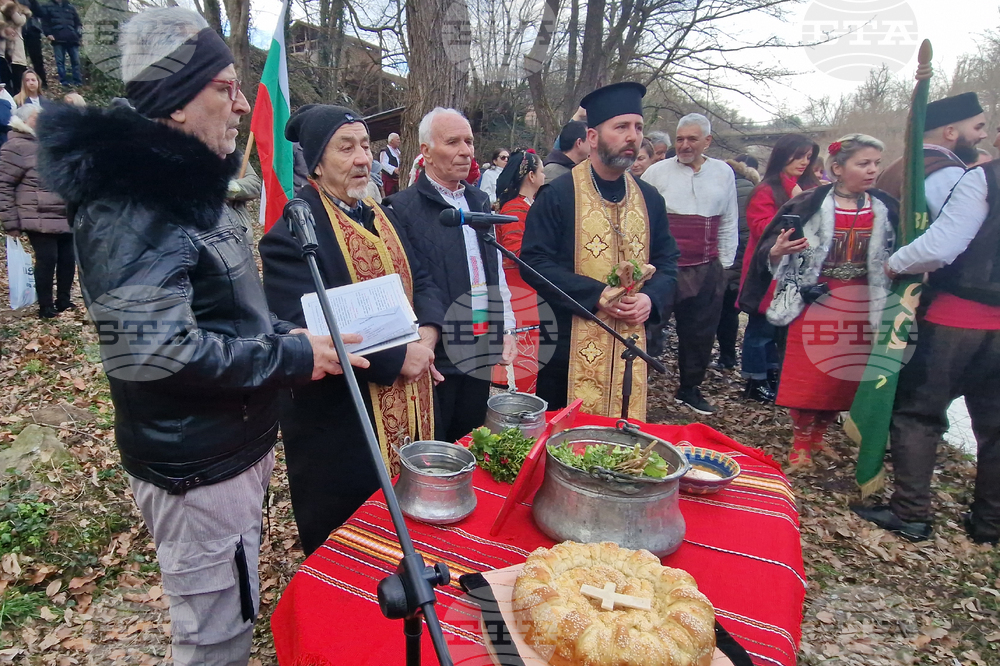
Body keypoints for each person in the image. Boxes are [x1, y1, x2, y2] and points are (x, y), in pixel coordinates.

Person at [36, 9, 366, 664]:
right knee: (214, 640)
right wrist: (292, 354)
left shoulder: (188, 180)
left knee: (233, 616)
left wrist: (286, 332)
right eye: (224, 87)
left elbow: (229, 310)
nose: (243, 104)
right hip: (197, 462)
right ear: (174, 99)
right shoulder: (131, 197)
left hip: (228, 442)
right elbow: (152, 350)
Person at [260, 104, 445, 556]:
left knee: (410, 527)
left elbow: (422, 277)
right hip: (343, 415)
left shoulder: (380, 214)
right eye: (347, 148)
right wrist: (398, 357)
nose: (363, 157)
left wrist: (427, 334)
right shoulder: (293, 229)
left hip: (411, 396)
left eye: (366, 145)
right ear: (318, 163)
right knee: (350, 536)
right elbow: (305, 322)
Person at [852, 93, 999, 543]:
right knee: (996, 426)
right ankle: (990, 523)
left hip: (958, 319)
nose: (988, 135)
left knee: (919, 414)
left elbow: (941, 245)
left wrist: (896, 264)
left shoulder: (982, 179)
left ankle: (912, 512)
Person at [520, 82, 679, 420]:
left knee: (623, 442)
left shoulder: (650, 198)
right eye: (621, 127)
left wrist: (651, 300)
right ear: (593, 137)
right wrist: (597, 294)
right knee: (564, 448)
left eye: (637, 127)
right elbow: (533, 262)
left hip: (631, 346)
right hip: (567, 347)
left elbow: (668, 264)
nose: (633, 136)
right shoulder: (559, 194)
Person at [741, 134, 897, 472]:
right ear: (837, 168)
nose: (872, 170)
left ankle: (820, 436)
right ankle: (800, 443)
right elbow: (771, 245)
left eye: (876, 164)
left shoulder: (885, 208)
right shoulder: (807, 204)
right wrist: (777, 252)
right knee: (809, 374)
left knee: (843, 376)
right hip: (817, 300)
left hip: (860, 301)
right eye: (863, 163)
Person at [385, 107, 516, 443]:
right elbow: (404, 283)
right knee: (436, 448)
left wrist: (506, 326)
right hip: (436, 354)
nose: (466, 151)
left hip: (481, 344)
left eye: (469, 142)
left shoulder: (479, 200)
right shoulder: (400, 208)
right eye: (453, 142)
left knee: (471, 441)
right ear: (426, 151)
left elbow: (494, 267)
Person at [641, 113, 739, 415]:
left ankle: (689, 388)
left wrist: (724, 263)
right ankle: (634, 385)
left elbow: (729, 219)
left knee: (700, 332)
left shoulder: (723, 173)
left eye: (691, 139)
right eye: (680, 138)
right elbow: (641, 220)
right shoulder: (656, 173)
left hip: (706, 266)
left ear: (706, 141)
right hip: (664, 267)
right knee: (649, 327)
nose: (684, 145)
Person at [737, 136, 820, 403]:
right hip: (768, 267)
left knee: (780, 328)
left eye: (808, 157)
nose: (803, 162)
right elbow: (761, 227)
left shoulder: (811, 187)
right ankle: (754, 379)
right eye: (798, 156)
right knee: (761, 327)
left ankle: (773, 374)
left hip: (797, 269)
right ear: (783, 156)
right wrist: (795, 205)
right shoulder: (768, 189)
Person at [0, 104, 71, 318]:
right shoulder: (15, 147)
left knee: (68, 258)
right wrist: (10, 222)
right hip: (36, 215)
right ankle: (45, 305)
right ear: (24, 120)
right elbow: (4, 185)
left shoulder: (53, 143)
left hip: (64, 213)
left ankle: (64, 301)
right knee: (47, 258)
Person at [493, 148, 545, 393]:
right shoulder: (515, 208)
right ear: (531, 176)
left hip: (529, 284)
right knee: (523, 352)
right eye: (542, 170)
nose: (544, 175)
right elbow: (516, 252)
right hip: (519, 285)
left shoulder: (528, 205)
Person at [714, 154, 760, 373]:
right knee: (730, 312)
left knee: (717, 311)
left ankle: (723, 357)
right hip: (744, 259)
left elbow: (729, 229)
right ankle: (728, 356)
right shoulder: (752, 189)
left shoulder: (726, 190)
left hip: (728, 256)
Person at [43, 0, 81, 87]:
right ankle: (63, 82)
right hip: (58, 39)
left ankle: (78, 82)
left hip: (72, 39)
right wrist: (48, 34)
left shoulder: (70, 7)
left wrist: (78, 34)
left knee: (76, 61)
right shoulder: (48, 7)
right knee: (60, 62)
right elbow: (45, 23)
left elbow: (78, 23)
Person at [225, 160, 260, 244]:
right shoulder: (190, 156)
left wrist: (232, 188)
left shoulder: (234, 156)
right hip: (202, 234)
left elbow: (255, 184)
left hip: (238, 230)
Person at [2, 2, 29, 94]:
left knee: (18, 77)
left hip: (15, 47)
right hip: (4, 48)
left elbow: (19, 21)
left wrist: (11, 9)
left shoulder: (15, 8)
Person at [22, 0, 43, 88]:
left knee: (37, 58)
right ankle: (23, 82)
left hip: (33, 30)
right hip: (20, 31)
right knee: (22, 59)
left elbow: (40, 13)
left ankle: (41, 81)